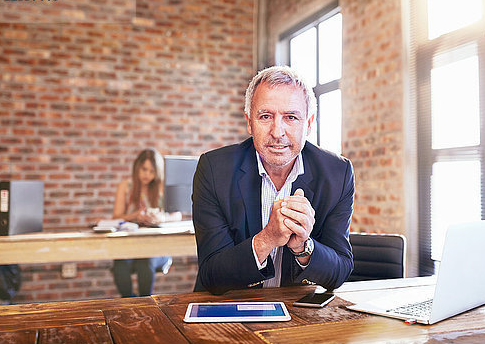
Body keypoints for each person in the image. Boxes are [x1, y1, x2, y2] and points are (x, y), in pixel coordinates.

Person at [193, 66, 354, 294]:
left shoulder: (338, 173)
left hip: (297, 314)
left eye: (291, 117)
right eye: (266, 116)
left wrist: (303, 247)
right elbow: (212, 275)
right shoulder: (213, 170)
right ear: (250, 122)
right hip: (227, 309)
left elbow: (339, 272)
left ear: (308, 124)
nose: (277, 132)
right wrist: (267, 238)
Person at [111, 148, 172, 297]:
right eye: (144, 169)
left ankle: (145, 304)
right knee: (119, 264)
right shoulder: (126, 186)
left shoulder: (162, 187)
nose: (147, 175)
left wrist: (160, 218)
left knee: (146, 261)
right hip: (131, 246)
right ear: (137, 166)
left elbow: (177, 214)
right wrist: (135, 215)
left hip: (157, 247)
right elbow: (116, 217)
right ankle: (129, 302)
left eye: (152, 171)